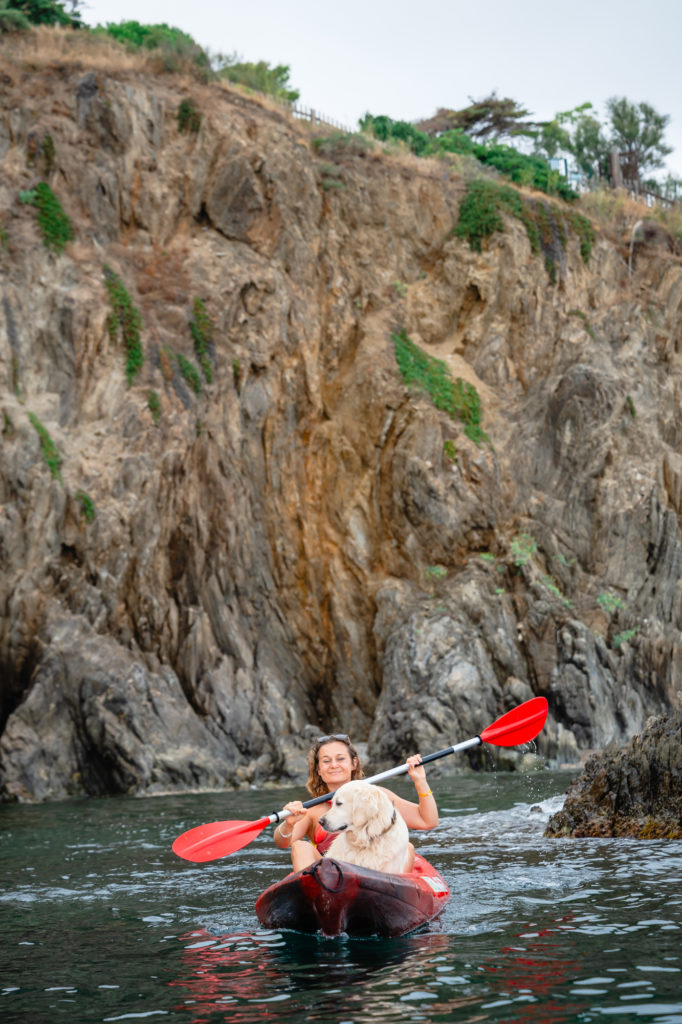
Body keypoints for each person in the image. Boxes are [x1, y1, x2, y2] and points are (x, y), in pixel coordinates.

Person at [273, 733, 438, 872]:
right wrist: (288, 824)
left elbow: (427, 821)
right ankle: (310, 897)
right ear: (318, 769)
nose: (334, 765)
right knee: (300, 847)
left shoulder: (378, 797)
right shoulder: (313, 810)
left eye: (340, 758)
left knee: (407, 848)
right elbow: (282, 842)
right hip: (332, 877)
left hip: (379, 875)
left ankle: (395, 897)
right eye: (326, 761)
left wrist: (420, 781)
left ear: (354, 763)